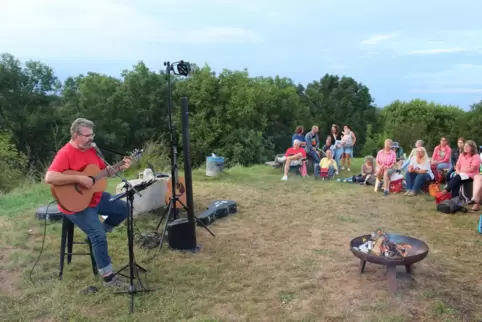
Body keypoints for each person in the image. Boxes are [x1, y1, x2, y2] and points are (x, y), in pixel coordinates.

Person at [44, 118, 132, 288]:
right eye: (87, 135)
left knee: (124, 208)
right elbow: (50, 177)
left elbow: (101, 173)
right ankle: (108, 278)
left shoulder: (93, 150)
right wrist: (79, 178)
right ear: (75, 135)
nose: (91, 138)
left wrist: (120, 166)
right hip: (74, 204)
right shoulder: (65, 153)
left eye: (92, 134)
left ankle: (97, 235)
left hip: (94, 197)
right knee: (98, 235)